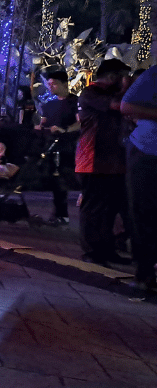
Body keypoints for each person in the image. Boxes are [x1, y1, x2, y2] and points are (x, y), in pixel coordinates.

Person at [76, 58, 132, 266]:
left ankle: (107, 249)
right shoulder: (91, 93)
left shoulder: (107, 93)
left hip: (113, 161)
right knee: (93, 207)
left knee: (110, 208)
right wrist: (126, 89)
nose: (124, 80)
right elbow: (119, 106)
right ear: (111, 76)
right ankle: (91, 251)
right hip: (92, 159)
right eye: (121, 76)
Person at [121, 64, 157, 293]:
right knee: (143, 212)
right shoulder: (154, 74)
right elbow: (127, 105)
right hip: (147, 150)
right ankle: (144, 273)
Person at [36, 67, 79, 226]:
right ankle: (58, 213)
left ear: (63, 84)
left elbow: (80, 122)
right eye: (48, 84)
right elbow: (43, 123)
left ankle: (63, 214)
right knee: (54, 181)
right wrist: (40, 127)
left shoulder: (75, 102)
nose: (50, 87)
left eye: (53, 84)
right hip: (50, 147)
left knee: (62, 181)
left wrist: (65, 130)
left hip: (68, 147)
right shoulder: (49, 105)